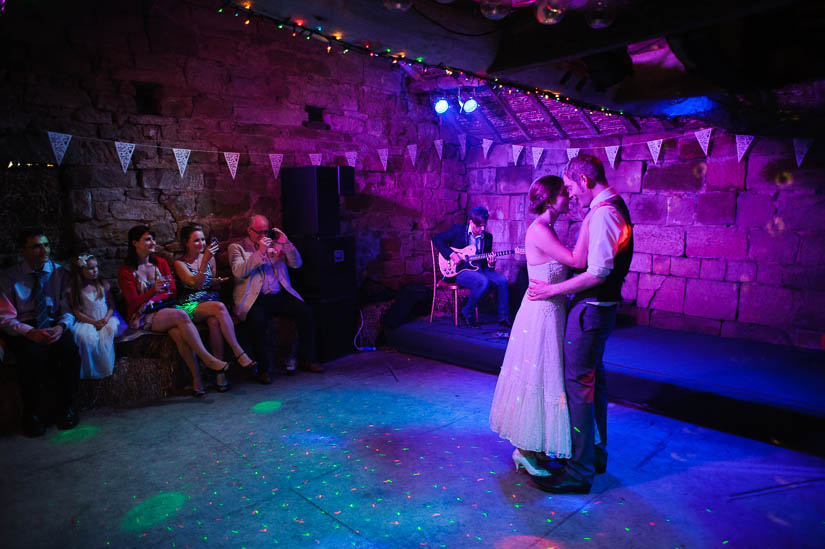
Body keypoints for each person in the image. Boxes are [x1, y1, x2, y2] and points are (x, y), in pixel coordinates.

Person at [527, 154, 634, 494]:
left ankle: (578, 471)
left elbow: (597, 271)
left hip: (591, 309)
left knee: (578, 388)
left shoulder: (602, 215)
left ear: (585, 181)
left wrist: (552, 290)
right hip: (601, 309)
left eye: (571, 186)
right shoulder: (611, 207)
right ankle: (595, 455)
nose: (570, 194)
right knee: (594, 384)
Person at [489, 176, 592, 476]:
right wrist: (588, 222)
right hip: (542, 313)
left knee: (550, 377)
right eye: (563, 195)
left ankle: (535, 447)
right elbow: (576, 259)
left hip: (552, 308)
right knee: (539, 376)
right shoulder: (540, 231)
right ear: (549, 200)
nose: (569, 198)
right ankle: (525, 450)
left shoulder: (547, 229)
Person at [117, 225, 229, 397]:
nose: (153, 242)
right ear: (134, 243)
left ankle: (197, 382)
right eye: (147, 239)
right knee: (181, 314)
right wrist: (153, 291)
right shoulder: (126, 271)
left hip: (163, 310)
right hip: (141, 316)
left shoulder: (160, 263)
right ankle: (207, 359)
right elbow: (132, 302)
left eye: (153, 238)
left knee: (178, 333)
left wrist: (153, 298)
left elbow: (172, 291)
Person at [0, 228, 80, 436]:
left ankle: (68, 408)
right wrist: (29, 332)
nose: (43, 250)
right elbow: (5, 317)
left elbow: (69, 309)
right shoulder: (9, 278)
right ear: (22, 251)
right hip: (24, 325)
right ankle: (31, 414)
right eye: (36, 246)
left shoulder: (60, 273)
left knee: (69, 352)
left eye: (46, 245)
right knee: (31, 357)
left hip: (53, 323)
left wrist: (61, 327)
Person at [229, 215, 323, 385]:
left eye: (266, 231)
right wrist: (259, 253)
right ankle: (264, 369)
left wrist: (286, 244)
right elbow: (239, 271)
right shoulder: (237, 247)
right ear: (249, 230)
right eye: (259, 232)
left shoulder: (276, 245)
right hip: (254, 298)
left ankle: (307, 359)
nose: (263, 235)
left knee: (305, 312)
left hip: (279, 295)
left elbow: (297, 264)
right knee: (258, 322)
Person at [173, 223, 257, 392]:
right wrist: (204, 261)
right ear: (186, 243)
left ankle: (220, 372)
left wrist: (215, 281)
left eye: (203, 240)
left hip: (209, 301)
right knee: (219, 308)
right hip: (189, 305)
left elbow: (208, 284)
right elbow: (195, 285)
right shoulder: (179, 263)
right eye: (196, 241)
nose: (201, 244)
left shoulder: (210, 258)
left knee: (214, 322)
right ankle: (238, 352)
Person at [432, 206, 511, 327]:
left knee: (502, 280)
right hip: (459, 271)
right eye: (479, 226)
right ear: (471, 222)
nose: (482, 229)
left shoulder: (488, 237)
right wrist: (452, 254)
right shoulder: (457, 230)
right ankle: (467, 313)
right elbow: (436, 238)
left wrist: (491, 264)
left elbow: (486, 265)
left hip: (479, 269)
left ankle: (503, 318)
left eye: (484, 225)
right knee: (483, 282)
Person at [68, 253, 124, 379]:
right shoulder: (77, 288)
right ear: (81, 270)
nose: (95, 271)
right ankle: (92, 372)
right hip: (87, 321)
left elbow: (111, 305)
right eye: (90, 268)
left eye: (96, 267)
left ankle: (106, 369)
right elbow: (77, 311)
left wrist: (105, 319)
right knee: (87, 338)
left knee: (107, 335)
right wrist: (94, 322)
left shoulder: (102, 284)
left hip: (105, 319)